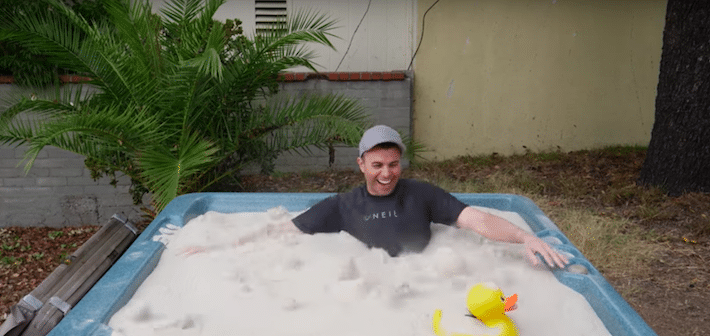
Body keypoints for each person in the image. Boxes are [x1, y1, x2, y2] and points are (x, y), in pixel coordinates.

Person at [182, 125, 567, 268]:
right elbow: (281, 233)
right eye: (378, 164)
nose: (387, 173)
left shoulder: (423, 194)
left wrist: (525, 237)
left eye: (394, 164)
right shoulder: (341, 206)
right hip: (377, 285)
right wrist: (221, 250)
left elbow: (477, 221)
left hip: (430, 277)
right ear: (361, 164)